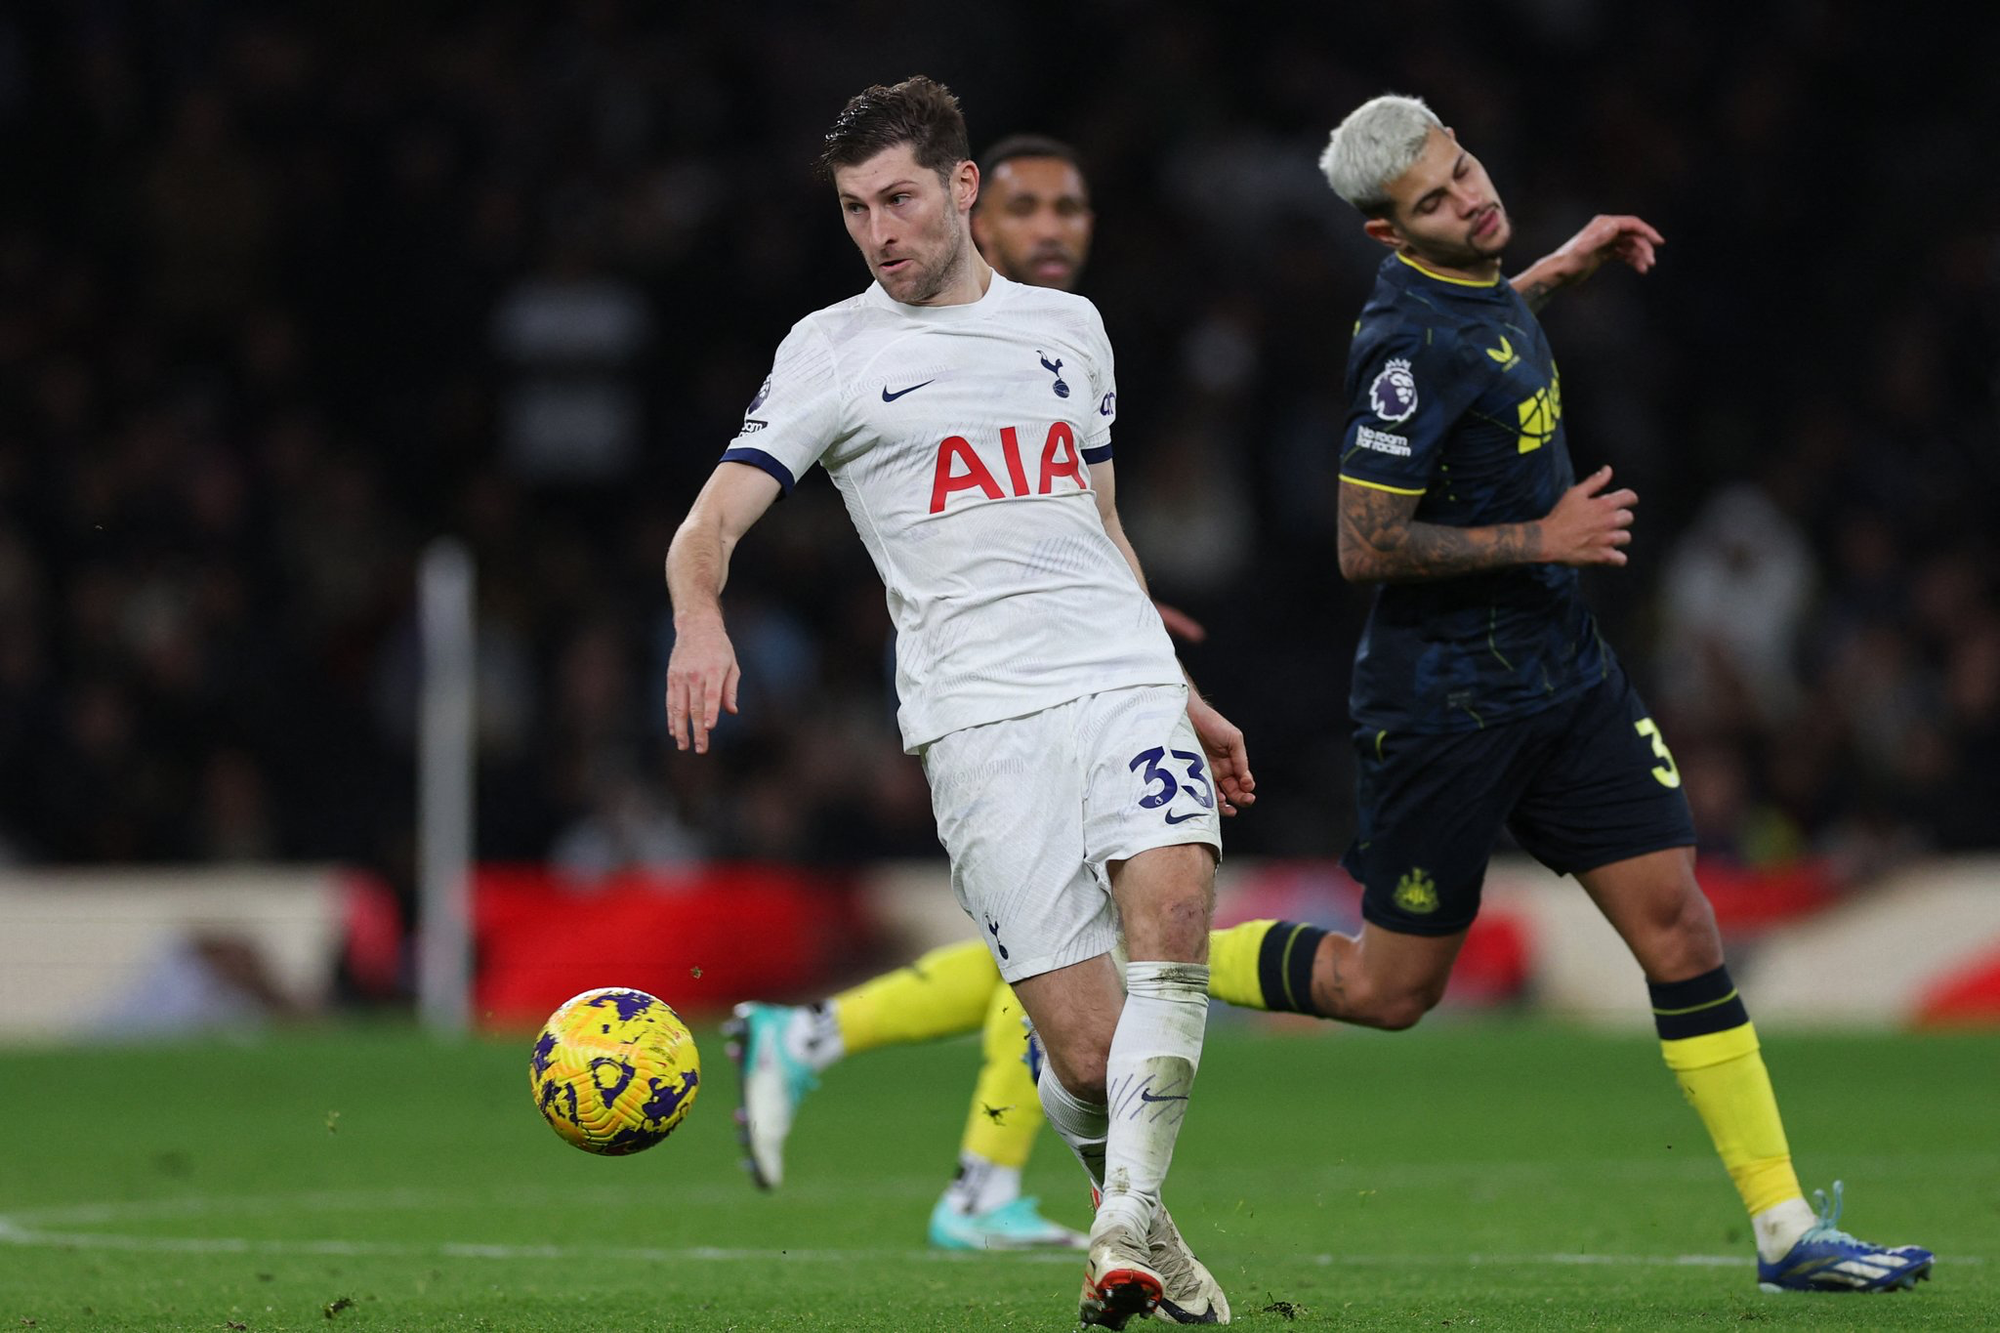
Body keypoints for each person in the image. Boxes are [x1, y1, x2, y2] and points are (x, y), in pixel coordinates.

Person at [1231, 92, 1927, 1295]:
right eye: (1435, 200)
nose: (1469, 197)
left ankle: (1783, 1231)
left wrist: (1558, 267)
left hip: (1563, 678)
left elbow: (1488, 321)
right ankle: (1161, 962)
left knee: (1681, 925)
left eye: (1463, 169)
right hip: (1444, 704)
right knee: (1386, 990)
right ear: (1387, 238)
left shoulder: (1476, 288)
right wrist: (1537, 535)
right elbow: (1360, 543)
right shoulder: (1399, 347)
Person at [664, 79, 1244, 1327]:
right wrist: (699, 618)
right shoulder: (829, 351)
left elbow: (1098, 529)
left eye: (900, 199)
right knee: (1083, 1058)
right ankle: (1145, 1226)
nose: (879, 231)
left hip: (1116, 678)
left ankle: (1121, 1231)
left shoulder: (1069, 328)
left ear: (963, 187)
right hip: (975, 723)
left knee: (1178, 905)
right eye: (854, 207)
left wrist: (1179, 686)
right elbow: (707, 524)